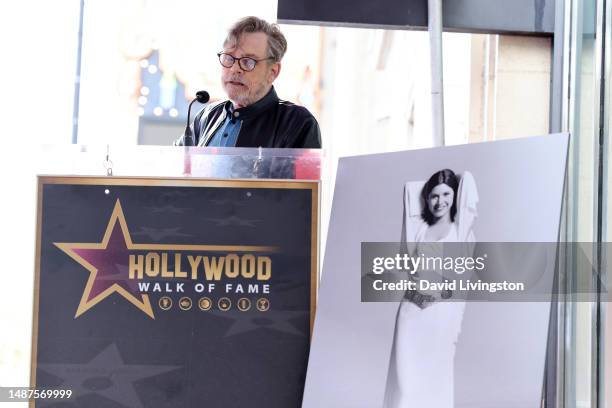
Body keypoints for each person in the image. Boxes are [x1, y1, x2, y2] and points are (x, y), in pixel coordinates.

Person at [384, 169, 478, 408]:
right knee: (405, 385)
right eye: (434, 196)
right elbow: (411, 190)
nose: (440, 201)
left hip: (440, 317)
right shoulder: (419, 229)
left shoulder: (462, 233)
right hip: (411, 314)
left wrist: (451, 316)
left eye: (447, 194)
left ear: (456, 196)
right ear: (426, 199)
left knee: (435, 382)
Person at [174, 16, 321, 148]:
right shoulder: (208, 115)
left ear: (273, 72)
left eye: (248, 61)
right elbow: (174, 167)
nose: (234, 69)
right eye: (229, 58)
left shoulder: (297, 123)